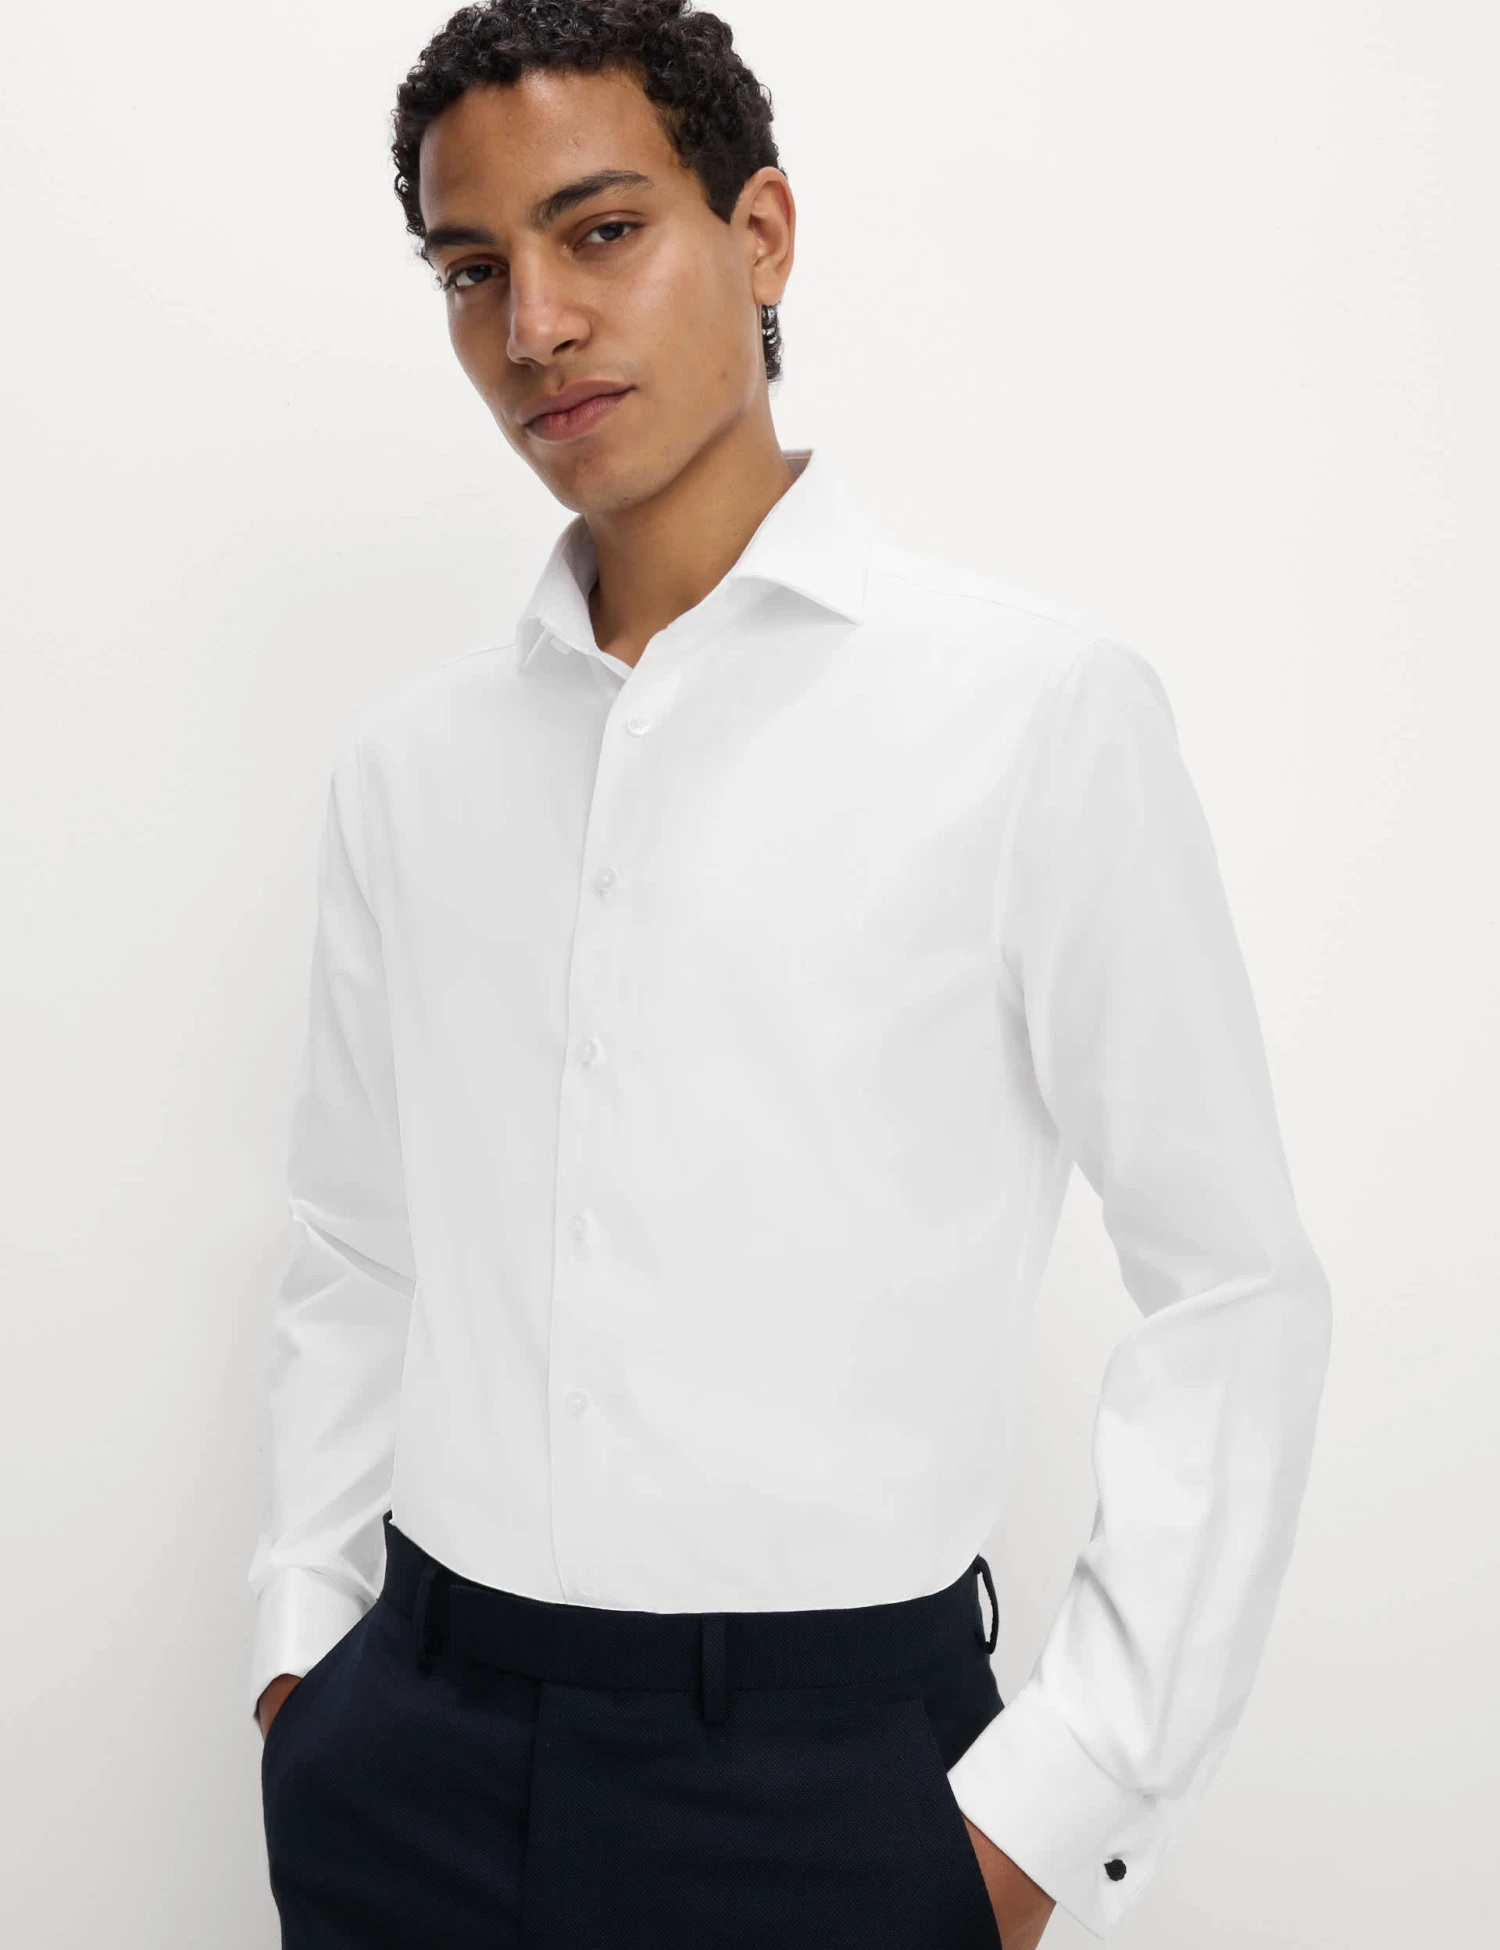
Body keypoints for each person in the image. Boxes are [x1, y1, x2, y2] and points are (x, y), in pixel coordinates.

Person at [246, 4, 1332, 1946]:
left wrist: (1054, 1811)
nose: (535, 326)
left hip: (833, 1791)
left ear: (760, 235)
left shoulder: (1033, 714)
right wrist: (302, 1657)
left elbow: (1233, 1284)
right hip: (412, 1756)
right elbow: (356, 1241)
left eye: (600, 231)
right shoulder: (411, 767)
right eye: (472, 270)